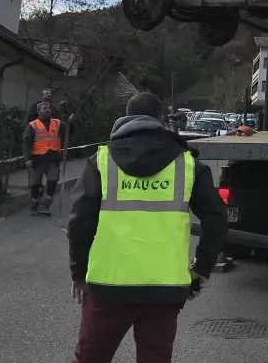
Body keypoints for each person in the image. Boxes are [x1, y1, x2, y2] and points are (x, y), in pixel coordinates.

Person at [68, 92, 228, 363]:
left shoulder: (102, 160)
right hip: (164, 292)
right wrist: (201, 269)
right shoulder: (186, 163)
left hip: (108, 288)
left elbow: (80, 220)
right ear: (161, 120)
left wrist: (78, 273)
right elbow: (216, 219)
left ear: (125, 118)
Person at [23, 101, 65, 216]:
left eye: (48, 108)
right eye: (44, 108)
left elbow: (69, 131)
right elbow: (26, 143)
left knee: (52, 182)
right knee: (34, 185)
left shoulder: (57, 123)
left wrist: (72, 121)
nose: (47, 110)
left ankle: (44, 205)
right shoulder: (33, 125)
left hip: (52, 159)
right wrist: (27, 159)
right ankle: (35, 203)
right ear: (38, 112)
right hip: (37, 160)